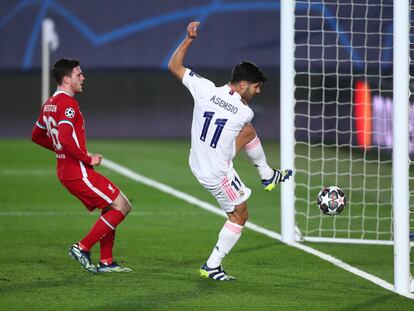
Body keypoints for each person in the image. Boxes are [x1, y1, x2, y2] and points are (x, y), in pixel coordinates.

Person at [168, 21, 292, 281]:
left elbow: (174, 66)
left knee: (248, 132)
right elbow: (238, 128)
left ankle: (267, 174)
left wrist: (189, 38)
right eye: (257, 86)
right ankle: (213, 265)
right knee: (240, 215)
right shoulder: (244, 111)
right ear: (244, 85)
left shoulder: (205, 89)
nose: (259, 91)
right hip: (216, 171)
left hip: (198, 159)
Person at [31, 58, 132, 273]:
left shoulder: (50, 103)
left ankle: (106, 262)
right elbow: (66, 139)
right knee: (122, 206)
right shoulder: (68, 104)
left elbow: (37, 136)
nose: (83, 78)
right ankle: (82, 247)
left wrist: (59, 149)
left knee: (109, 206)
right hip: (78, 170)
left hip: (67, 170)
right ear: (67, 79)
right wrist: (88, 158)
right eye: (79, 74)